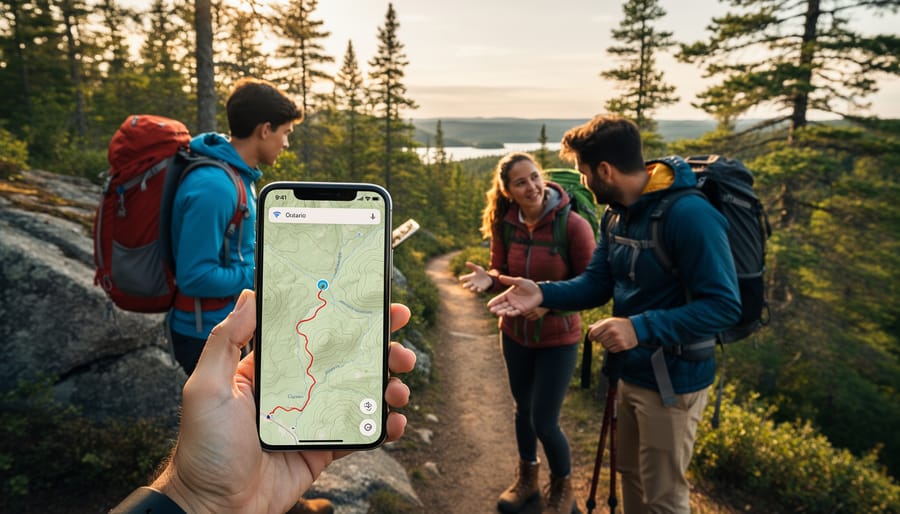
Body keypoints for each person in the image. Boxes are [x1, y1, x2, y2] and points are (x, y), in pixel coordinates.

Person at [487, 115, 741, 514]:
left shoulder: (690, 215)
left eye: (584, 173)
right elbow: (597, 283)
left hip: (674, 381)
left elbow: (725, 305)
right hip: (631, 372)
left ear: (604, 170)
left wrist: (638, 327)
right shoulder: (617, 214)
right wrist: (543, 293)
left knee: (664, 499)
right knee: (632, 480)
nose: (583, 182)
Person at [166, 78, 331, 513]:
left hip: (231, 324)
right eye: (285, 132)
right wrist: (263, 273)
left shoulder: (239, 179)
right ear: (264, 129)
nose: (286, 142)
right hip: (205, 333)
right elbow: (196, 275)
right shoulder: (215, 187)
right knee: (241, 427)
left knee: (262, 418)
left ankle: (286, 497)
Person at [110, 290, 417, 514]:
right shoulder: (214, 197)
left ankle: (296, 507)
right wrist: (194, 496)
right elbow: (196, 273)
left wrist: (193, 499)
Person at [458, 152, 596, 514]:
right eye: (521, 182)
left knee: (545, 420)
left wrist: (549, 303)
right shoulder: (506, 224)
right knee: (522, 410)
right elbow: (501, 273)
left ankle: (564, 484)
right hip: (515, 334)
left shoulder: (574, 226)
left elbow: (591, 285)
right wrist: (489, 280)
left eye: (534, 177)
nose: (532, 186)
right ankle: (528, 479)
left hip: (559, 339)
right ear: (508, 191)